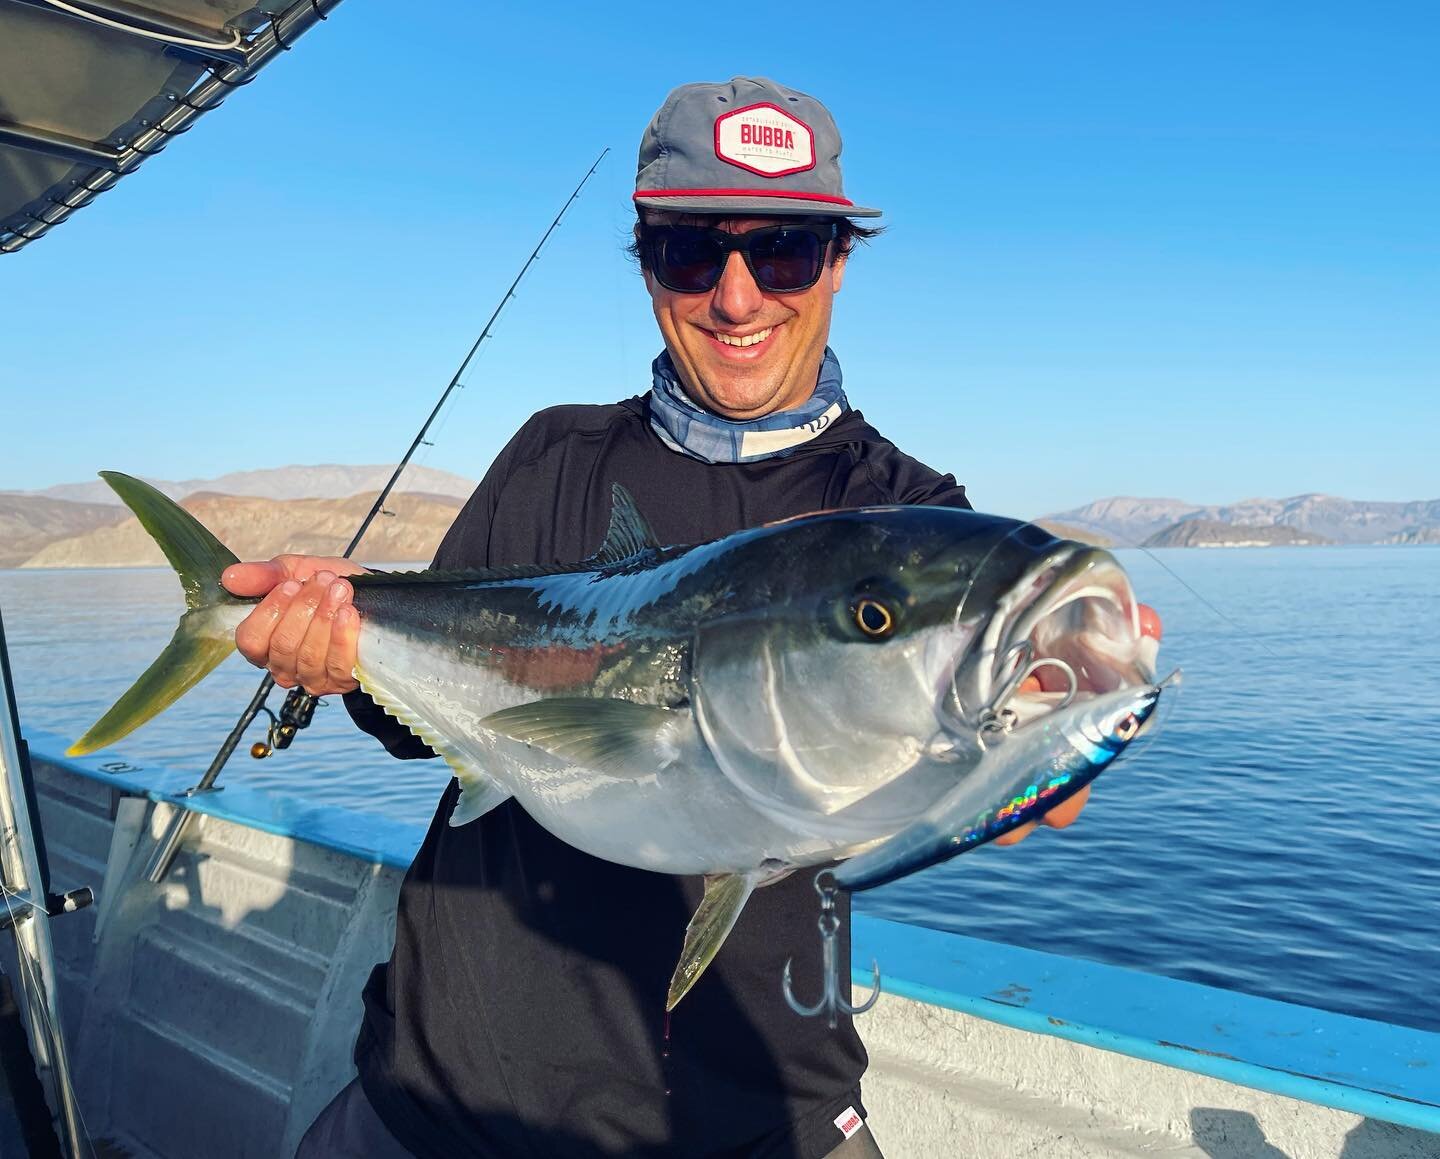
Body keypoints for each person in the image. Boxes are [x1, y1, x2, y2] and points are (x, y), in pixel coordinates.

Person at [225, 77, 1161, 1159]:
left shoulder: (906, 511)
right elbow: (418, 722)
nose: (737, 294)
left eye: (784, 251)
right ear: (645, 262)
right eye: (689, 251)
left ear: (838, 263)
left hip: (763, 1111)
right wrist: (338, 651)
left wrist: (1055, 738)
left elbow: (991, 762)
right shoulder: (552, 456)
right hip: (445, 1089)